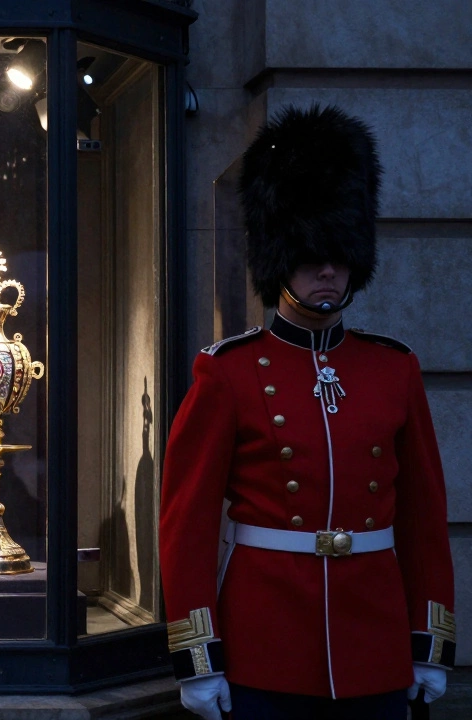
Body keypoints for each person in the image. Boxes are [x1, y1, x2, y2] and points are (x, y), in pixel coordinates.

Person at [160, 105, 455, 720]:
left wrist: (430, 642)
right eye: (310, 256)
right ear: (279, 261)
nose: (327, 269)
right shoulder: (229, 371)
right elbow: (185, 526)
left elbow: (425, 520)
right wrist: (199, 657)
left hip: (373, 642)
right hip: (266, 641)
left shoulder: (392, 368)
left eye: (339, 256)